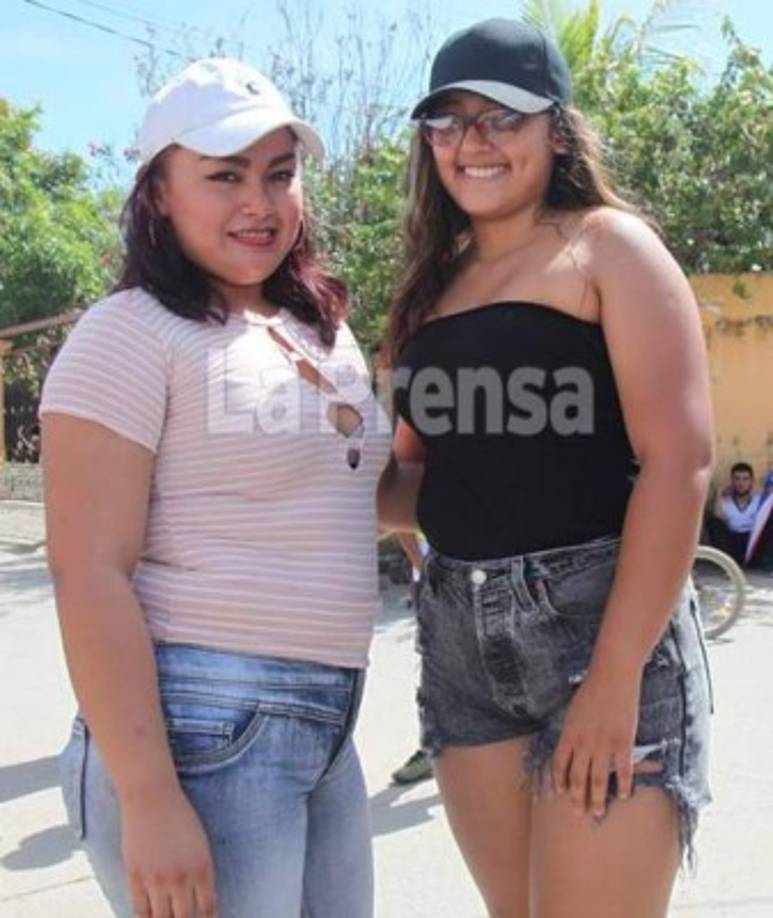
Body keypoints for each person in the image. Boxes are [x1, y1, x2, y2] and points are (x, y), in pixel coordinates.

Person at [378, 18, 714, 918]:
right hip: (459, 640)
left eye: (502, 118)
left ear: (555, 131)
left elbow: (678, 461)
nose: (472, 143)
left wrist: (614, 678)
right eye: (448, 123)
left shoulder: (608, 247)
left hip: (599, 627)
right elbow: (419, 484)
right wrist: (290, 468)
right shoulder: (427, 289)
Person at [41, 58, 390, 918]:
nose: (259, 203)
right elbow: (89, 573)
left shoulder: (318, 332)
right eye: (223, 176)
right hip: (198, 727)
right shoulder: (128, 333)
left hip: (325, 722)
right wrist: (149, 797)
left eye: (279, 174)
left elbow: (354, 495)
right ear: (158, 191)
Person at [707, 461, 762, 564]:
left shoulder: (758, 501)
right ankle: (727, 562)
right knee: (712, 521)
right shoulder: (726, 502)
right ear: (732, 481)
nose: (741, 483)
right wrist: (720, 493)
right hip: (731, 541)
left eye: (745, 479)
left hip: (752, 542)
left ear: (751, 481)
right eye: (737, 479)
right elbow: (717, 517)